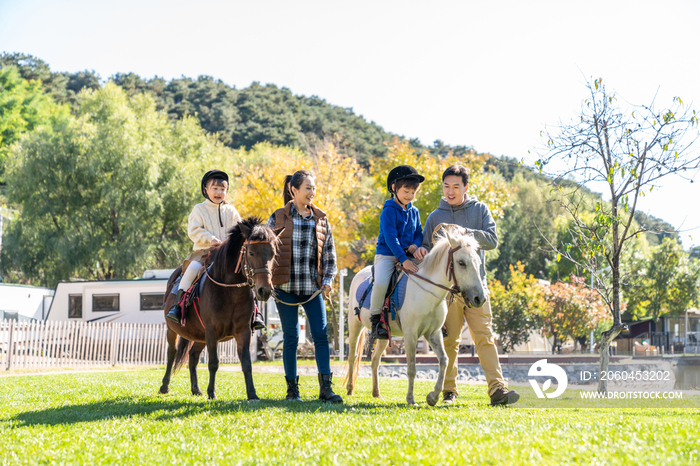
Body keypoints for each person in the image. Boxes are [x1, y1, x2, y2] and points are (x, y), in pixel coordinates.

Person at [421, 164, 519, 406]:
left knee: (485, 337)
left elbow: (492, 240)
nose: (450, 191)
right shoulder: (435, 217)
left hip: (477, 287)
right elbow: (426, 250)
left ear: (465, 187)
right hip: (449, 292)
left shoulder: (480, 210)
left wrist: (466, 232)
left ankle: (498, 390)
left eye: (456, 186)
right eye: (446, 186)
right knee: (450, 341)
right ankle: (449, 392)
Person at [267, 170, 342, 403]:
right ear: (294, 190)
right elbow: (265, 252)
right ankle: (292, 391)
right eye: (307, 188)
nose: (312, 192)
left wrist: (328, 280)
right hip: (285, 288)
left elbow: (329, 254)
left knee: (321, 335)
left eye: (314, 188)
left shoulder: (320, 219)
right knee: (291, 337)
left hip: (312, 289)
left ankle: (326, 389)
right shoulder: (278, 217)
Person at [166, 170, 265, 330]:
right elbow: (194, 230)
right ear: (205, 189)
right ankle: (178, 305)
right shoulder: (199, 209)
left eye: (223, 189)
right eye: (215, 188)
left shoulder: (231, 211)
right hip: (204, 253)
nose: (219, 192)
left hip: (228, 256)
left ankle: (255, 312)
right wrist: (210, 239)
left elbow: (241, 231)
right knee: (192, 269)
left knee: (247, 272)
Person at [370, 165, 429, 340]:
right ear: (394, 188)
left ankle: (434, 317)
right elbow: (390, 237)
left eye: (413, 192)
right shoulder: (388, 210)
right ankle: (375, 322)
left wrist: (415, 245)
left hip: (408, 254)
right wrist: (403, 259)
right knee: (380, 283)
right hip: (387, 254)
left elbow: (419, 232)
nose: (410, 196)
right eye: (406, 191)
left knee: (431, 273)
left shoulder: (414, 211)